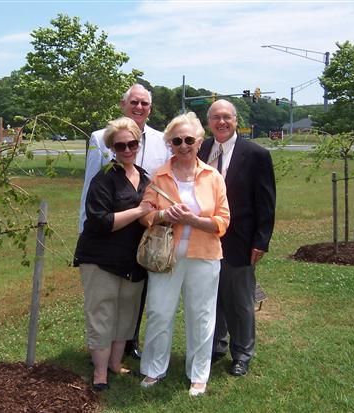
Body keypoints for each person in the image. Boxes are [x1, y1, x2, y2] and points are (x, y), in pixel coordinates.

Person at [138, 112, 230, 397]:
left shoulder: (213, 177)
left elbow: (223, 221)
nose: (183, 145)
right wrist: (165, 214)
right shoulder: (160, 175)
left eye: (189, 139)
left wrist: (193, 221)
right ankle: (154, 368)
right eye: (176, 140)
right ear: (169, 144)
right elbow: (145, 213)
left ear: (199, 142)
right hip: (166, 255)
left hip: (204, 255)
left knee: (201, 316)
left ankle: (198, 374)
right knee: (158, 311)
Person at [78, 83, 170, 359]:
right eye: (134, 102)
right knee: (106, 298)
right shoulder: (100, 138)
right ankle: (105, 353)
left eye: (144, 103)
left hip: (144, 231)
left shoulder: (162, 139)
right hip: (109, 229)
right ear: (123, 105)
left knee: (136, 293)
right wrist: (87, 224)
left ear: (150, 109)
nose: (139, 107)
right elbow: (90, 185)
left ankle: (130, 342)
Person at [74, 117, 155, 391]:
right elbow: (100, 221)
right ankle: (99, 373)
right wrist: (140, 211)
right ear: (112, 148)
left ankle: (115, 364)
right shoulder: (104, 178)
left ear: (138, 143)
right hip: (101, 259)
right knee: (102, 313)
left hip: (132, 260)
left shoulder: (145, 177)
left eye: (133, 143)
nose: (128, 149)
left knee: (126, 314)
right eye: (121, 146)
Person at [197, 99, 276, 377]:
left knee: (240, 300)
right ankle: (216, 344)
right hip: (205, 238)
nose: (221, 122)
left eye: (227, 117)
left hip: (241, 239)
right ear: (209, 122)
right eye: (216, 117)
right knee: (212, 296)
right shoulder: (201, 148)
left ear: (235, 120)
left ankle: (242, 353)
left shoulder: (256, 154)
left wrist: (261, 240)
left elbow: (266, 203)